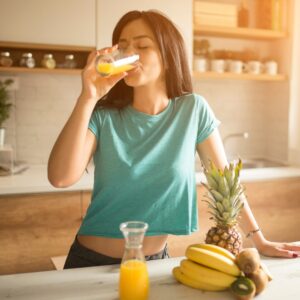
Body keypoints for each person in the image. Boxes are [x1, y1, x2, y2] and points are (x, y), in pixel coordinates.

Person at [48, 10, 300, 269]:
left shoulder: (193, 110)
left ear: (168, 57)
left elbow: (226, 183)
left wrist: (260, 241)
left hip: (156, 262)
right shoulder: (103, 115)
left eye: (142, 45)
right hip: (90, 263)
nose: (129, 53)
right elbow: (60, 177)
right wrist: (88, 96)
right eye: (122, 47)